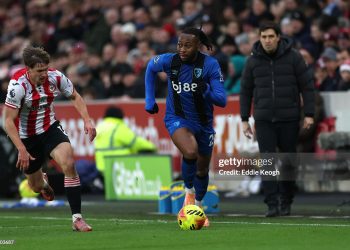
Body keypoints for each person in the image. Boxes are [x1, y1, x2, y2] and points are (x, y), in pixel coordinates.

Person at [3, 46, 96, 232]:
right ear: (28, 69)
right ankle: (43, 183)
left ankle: (77, 218)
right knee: (35, 187)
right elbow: (8, 121)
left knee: (69, 164)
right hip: (26, 137)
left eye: (46, 68)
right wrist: (21, 148)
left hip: (50, 128)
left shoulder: (56, 77)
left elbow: (75, 96)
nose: (44, 74)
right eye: (39, 71)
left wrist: (87, 120)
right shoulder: (17, 86)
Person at [145, 27, 227, 227]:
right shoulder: (169, 61)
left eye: (187, 45)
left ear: (198, 46)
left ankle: (198, 207)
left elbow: (222, 100)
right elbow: (150, 67)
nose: (182, 49)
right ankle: (188, 194)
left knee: (202, 168)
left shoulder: (210, 65)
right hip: (177, 117)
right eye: (180, 45)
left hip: (204, 123)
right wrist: (149, 99)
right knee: (190, 152)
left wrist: (206, 91)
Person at [240, 22, 315, 217]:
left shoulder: (294, 58)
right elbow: (245, 91)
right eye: (263, 37)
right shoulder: (252, 61)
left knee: (289, 161)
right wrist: (244, 119)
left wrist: (309, 114)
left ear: (278, 37)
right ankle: (272, 203)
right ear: (259, 38)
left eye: (271, 36)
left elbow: (307, 87)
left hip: (289, 117)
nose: (267, 40)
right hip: (264, 119)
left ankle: (286, 200)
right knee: (267, 161)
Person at [94, 106, 157, 175]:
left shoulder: (100, 127)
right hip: (118, 168)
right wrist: (152, 147)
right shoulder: (118, 127)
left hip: (101, 168)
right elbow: (136, 142)